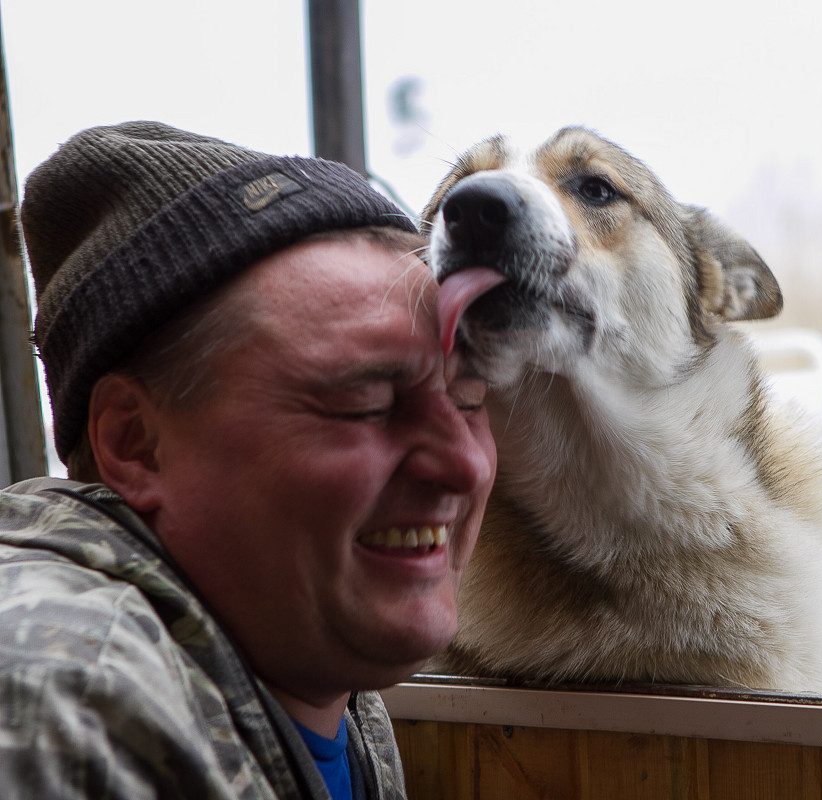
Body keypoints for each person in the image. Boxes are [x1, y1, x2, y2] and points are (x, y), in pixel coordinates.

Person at [0, 121, 497, 799]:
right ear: (134, 442)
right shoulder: (64, 709)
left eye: (470, 397)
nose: (463, 466)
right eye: (367, 404)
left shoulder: (315, 666)